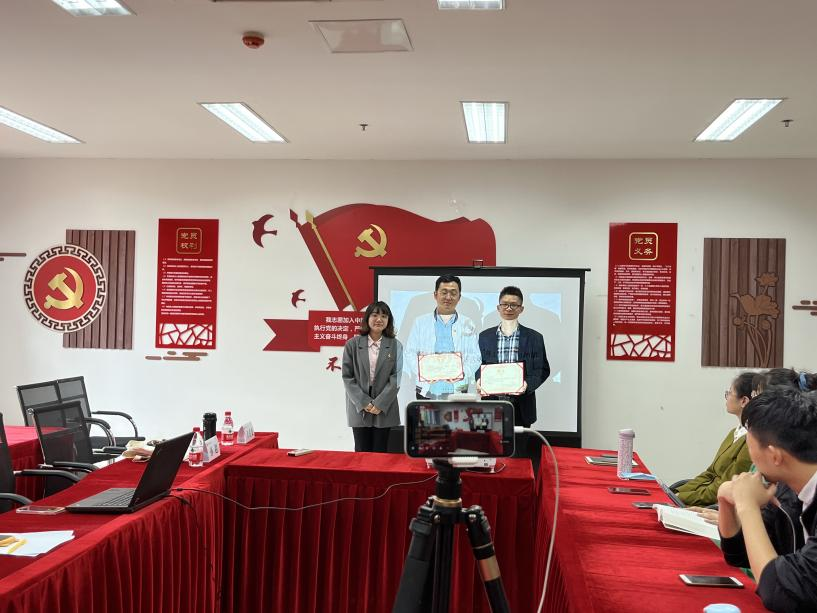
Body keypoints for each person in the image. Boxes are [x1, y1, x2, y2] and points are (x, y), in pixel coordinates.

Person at [717, 388, 817, 612]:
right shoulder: (787, 489)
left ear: (774, 456)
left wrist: (748, 506)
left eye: (750, 447)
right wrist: (726, 502)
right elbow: (740, 554)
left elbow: (779, 591)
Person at [675, 372, 755, 507]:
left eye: (729, 393)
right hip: (703, 498)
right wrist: (676, 492)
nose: (727, 397)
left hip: (713, 505)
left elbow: (724, 485)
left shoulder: (750, 440)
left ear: (744, 401)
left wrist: (683, 497)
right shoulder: (734, 433)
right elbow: (710, 473)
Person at [475, 286, 550, 429]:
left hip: (522, 406)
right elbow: (477, 364)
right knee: (492, 443)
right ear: (498, 307)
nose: (508, 308)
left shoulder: (534, 338)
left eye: (514, 305)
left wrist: (526, 385)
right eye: (504, 304)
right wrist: (479, 379)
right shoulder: (484, 337)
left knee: (520, 443)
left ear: (521, 309)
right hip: (491, 404)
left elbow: (542, 369)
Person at [403, 275, 481, 399]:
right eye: (444, 292)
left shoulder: (468, 323)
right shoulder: (420, 322)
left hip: (458, 389)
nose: (448, 297)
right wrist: (423, 372)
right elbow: (410, 353)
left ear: (459, 297)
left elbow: (475, 357)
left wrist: (461, 373)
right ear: (435, 295)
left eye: (453, 293)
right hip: (427, 389)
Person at [342, 301, 402, 452]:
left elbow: (397, 377)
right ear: (367, 318)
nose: (379, 319)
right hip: (359, 405)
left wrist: (380, 404)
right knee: (361, 450)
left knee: (381, 452)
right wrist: (363, 402)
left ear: (389, 321)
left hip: (385, 406)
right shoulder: (352, 344)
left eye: (384, 316)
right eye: (375, 315)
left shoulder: (395, 345)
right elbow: (347, 377)